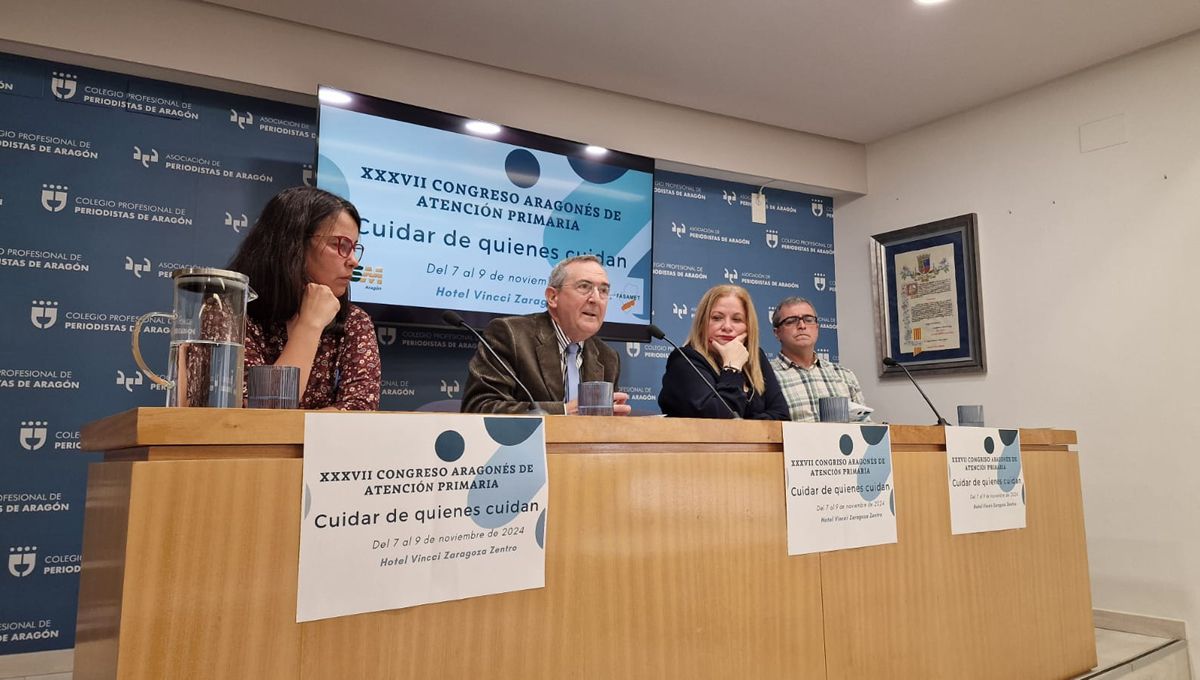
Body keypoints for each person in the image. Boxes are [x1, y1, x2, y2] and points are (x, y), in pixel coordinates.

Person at [227, 186, 381, 410]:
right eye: (341, 245)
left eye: (355, 248)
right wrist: (309, 325)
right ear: (293, 243)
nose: (353, 261)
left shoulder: (354, 321)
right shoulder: (231, 312)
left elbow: (359, 410)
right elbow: (259, 416)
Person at [461, 255, 631, 415]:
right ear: (553, 297)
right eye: (584, 287)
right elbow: (479, 407)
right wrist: (563, 412)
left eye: (603, 290)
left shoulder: (608, 357)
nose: (596, 298)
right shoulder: (510, 334)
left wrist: (611, 424)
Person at [657, 285, 789, 420]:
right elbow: (720, 420)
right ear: (702, 323)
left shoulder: (756, 356)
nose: (727, 327)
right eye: (717, 318)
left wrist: (743, 424)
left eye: (737, 319)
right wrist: (732, 368)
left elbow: (782, 416)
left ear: (749, 326)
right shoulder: (684, 361)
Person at [769, 296, 868, 422]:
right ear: (777, 333)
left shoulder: (845, 376)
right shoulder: (766, 377)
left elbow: (866, 426)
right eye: (791, 321)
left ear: (817, 327)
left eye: (808, 319)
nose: (802, 325)